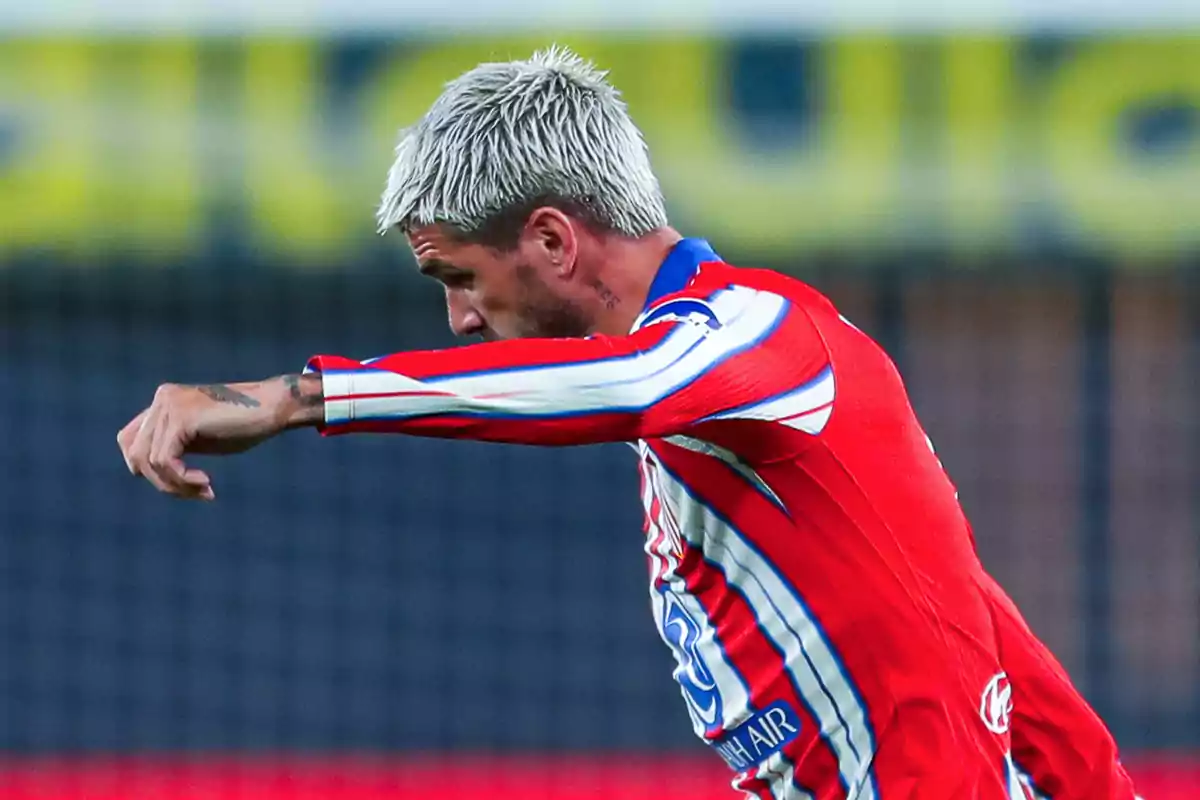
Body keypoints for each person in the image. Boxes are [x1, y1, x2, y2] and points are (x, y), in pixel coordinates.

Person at [117, 46, 1141, 800]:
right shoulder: (719, 409)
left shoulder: (758, 336)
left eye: (459, 277)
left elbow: (633, 383)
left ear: (554, 238)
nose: (459, 318)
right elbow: (979, 627)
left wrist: (306, 395)